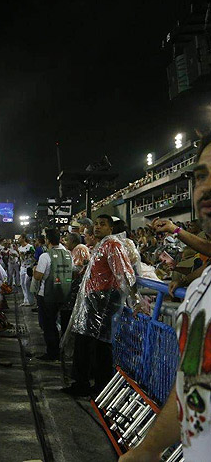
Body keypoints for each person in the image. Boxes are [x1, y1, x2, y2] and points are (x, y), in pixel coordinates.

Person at [120, 133, 211, 461]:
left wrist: (175, 231)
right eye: (201, 176)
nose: (206, 188)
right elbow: (194, 384)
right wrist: (148, 449)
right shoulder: (205, 285)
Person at [62, 214, 136, 397]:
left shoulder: (112, 244)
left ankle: (98, 386)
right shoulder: (101, 245)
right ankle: (87, 383)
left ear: (111, 228)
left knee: (98, 344)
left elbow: (124, 274)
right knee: (87, 342)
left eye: (102, 224)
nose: (97, 227)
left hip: (103, 301)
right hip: (94, 299)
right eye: (96, 224)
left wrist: (134, 300)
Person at [33, 228, 73, 361]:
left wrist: (34, 270)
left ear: (47, 240)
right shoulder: (68, 254)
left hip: (47, 295)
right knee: (63, 324)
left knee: (49, 325)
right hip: (64, 294)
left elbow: (38, 276)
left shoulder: (45, 256)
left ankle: (52, 353)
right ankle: (62, 351)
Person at [18, 236, 36, 306]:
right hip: (22, 267)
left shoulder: (30, 247)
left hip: (29, 267)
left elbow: (33, 255)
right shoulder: (19, 248)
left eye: (20, 238)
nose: (19, 239)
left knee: (27, 283)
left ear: (23, 238)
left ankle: (31, 301)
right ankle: (25, 300)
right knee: (22, 283)